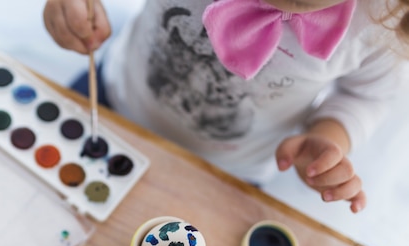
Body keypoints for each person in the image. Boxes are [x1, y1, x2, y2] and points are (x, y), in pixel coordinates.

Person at [43, 0, 409, 213]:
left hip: (228, 174)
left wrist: (328, 136)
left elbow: (368, 95)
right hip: (111, 102)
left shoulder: (379, 24)